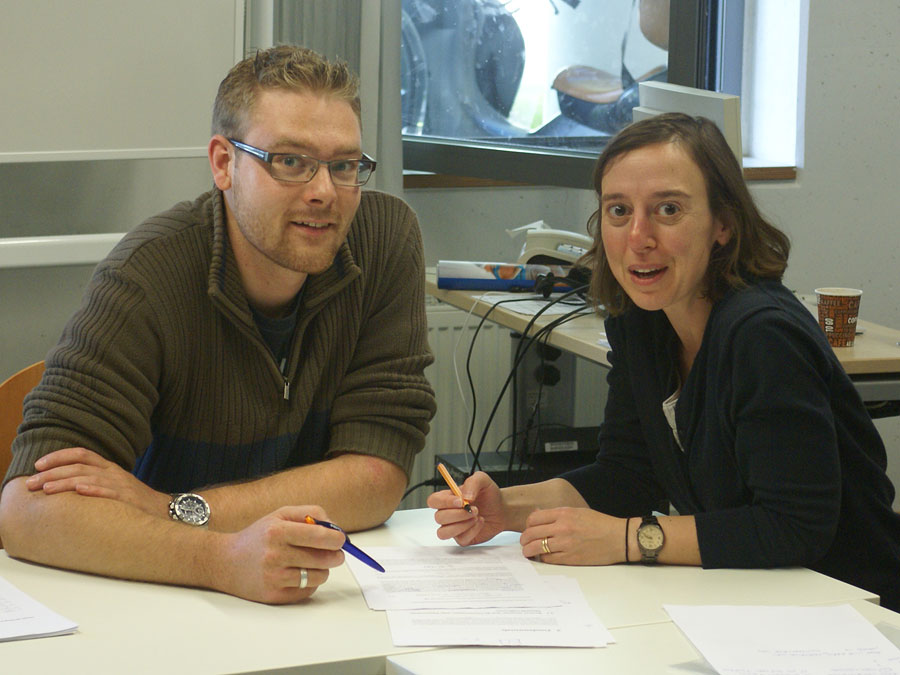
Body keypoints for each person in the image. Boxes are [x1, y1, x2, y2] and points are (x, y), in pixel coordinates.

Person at [0, 46, 436, 604]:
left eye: (345, 166)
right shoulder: (148, 274)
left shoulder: (383, 241)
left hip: (319, 596)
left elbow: (377, 476)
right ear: (224, 164)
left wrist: (172, 507)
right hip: (164, 600)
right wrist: (223, 560)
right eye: (290, 161)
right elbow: (28, 511)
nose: (325, 191)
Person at [428, 112, 900, 610]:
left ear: (724, 224)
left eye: (668, 209)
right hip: (753, 599)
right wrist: (507, 507)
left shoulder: (763, 335)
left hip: (851, 610)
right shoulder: (643, 322)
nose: (638, 237)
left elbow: (794, 527)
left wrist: (630, 539)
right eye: (618, 211)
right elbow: (628, 476)